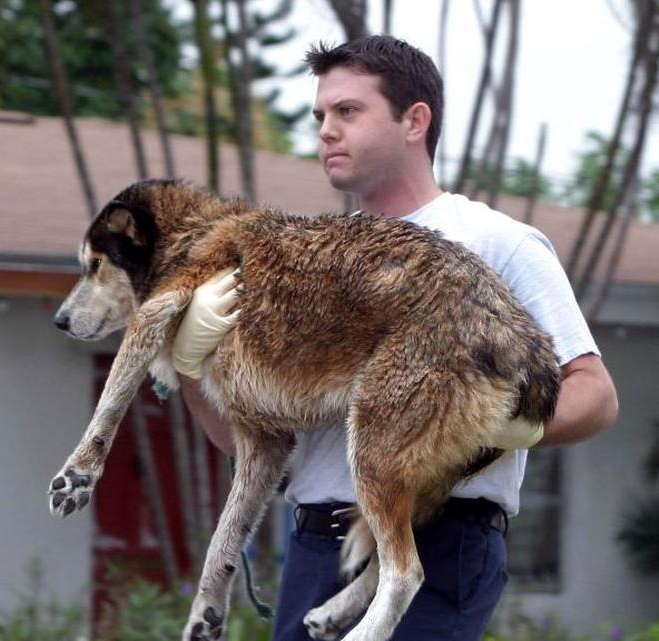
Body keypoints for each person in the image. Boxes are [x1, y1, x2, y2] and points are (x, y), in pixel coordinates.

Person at [171, 35, 619, 641]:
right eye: (320, 115)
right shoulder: (307, 257)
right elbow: (249, 444)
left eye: (348, 112)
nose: (326, 130)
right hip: (314, 546)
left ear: (415, 120)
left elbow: (594, 394)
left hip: (440, 537)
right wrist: (192, 367)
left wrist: (499, 423)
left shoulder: (496, 242)